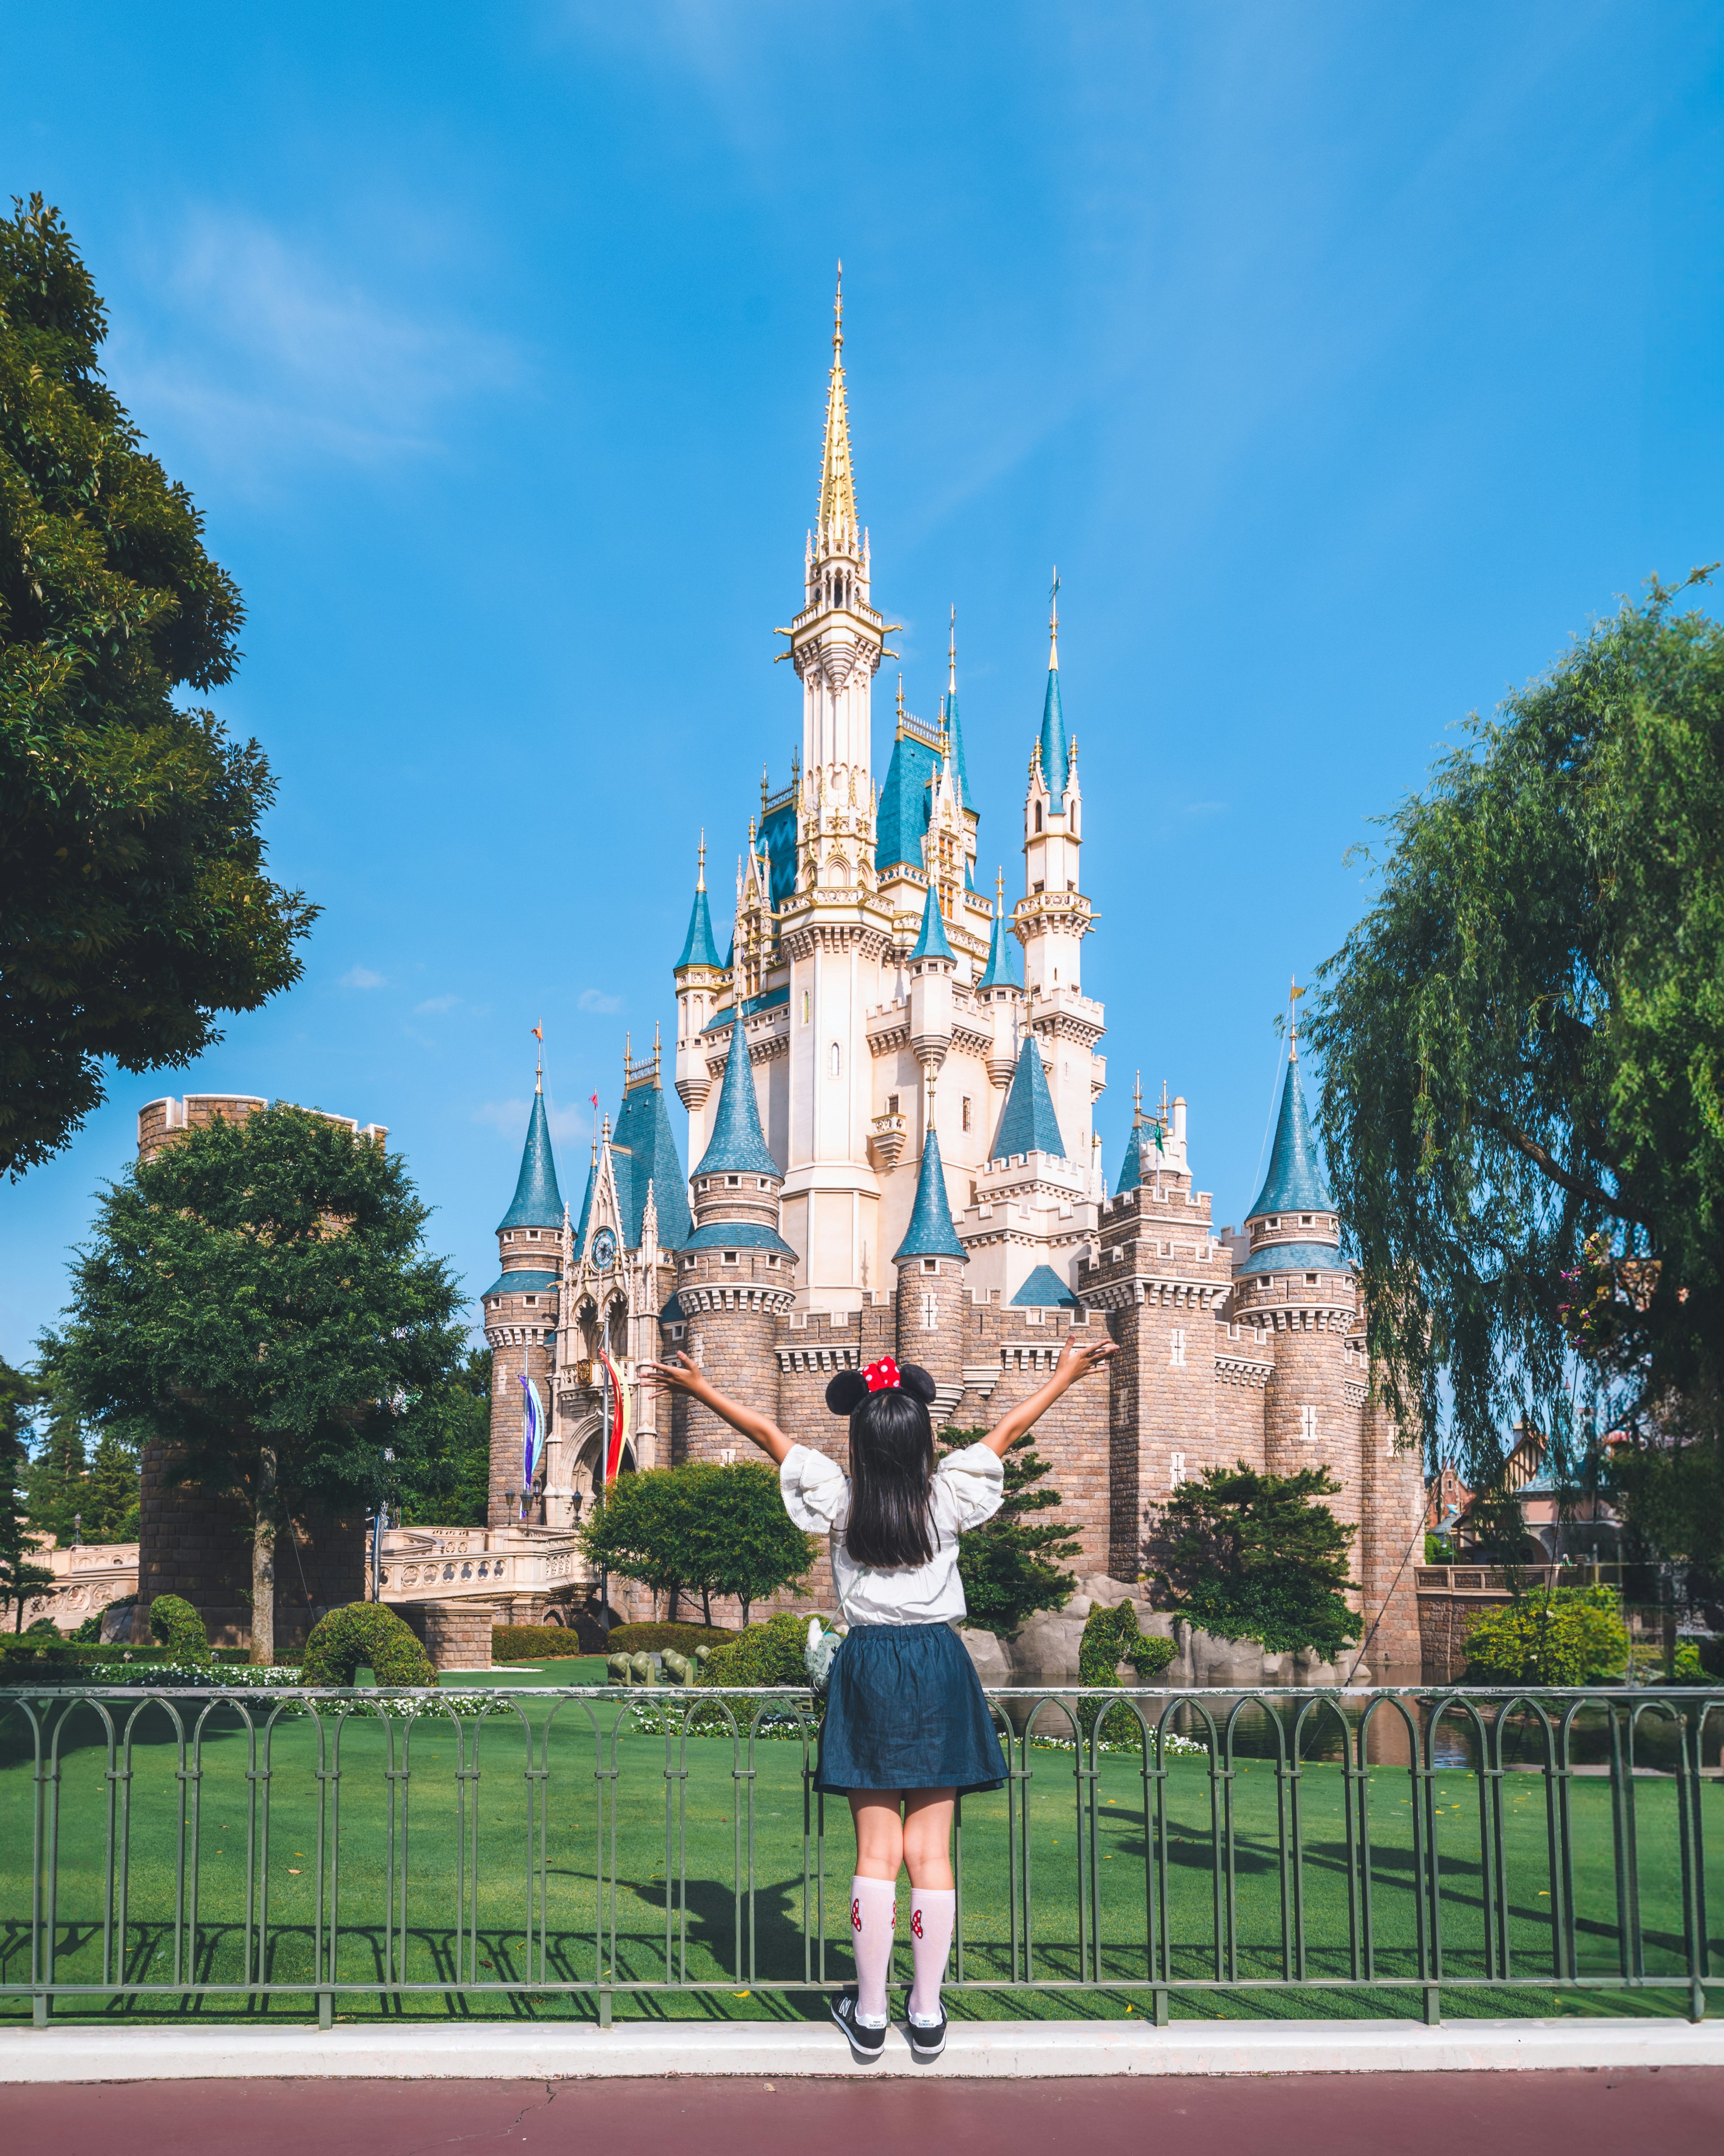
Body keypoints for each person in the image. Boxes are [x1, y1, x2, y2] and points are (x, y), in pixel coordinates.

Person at [642, 1328, 1116, 2064]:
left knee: (876, 1851)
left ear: (860, 1444)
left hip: (867, 1665)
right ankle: (924, 2015)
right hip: (937, 1663)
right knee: (931, 1853)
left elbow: (771, 1434)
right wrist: (1064, 1375)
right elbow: (1011, 1428)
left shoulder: (838, 1496)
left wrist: (701, 1389)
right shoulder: (951, 1493)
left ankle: (868, 2014)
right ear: (923, 1437)